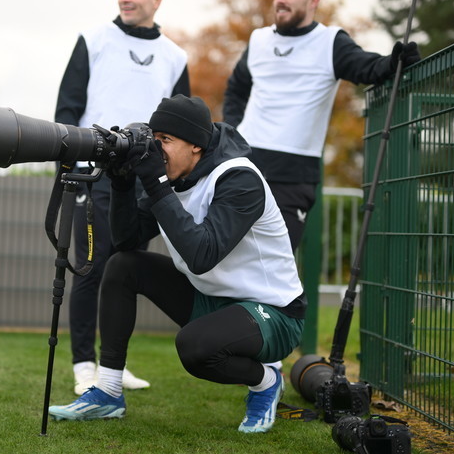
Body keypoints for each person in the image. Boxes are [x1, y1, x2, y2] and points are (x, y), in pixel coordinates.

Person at [49, 95, 306, 434]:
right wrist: (123, 184)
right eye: (153, 141)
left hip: (274, 313)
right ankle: (109, 390)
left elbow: (202, 256)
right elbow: (127, 241)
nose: (157, 151)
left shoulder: (240, 179)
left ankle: (266, 380)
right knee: (123, 265)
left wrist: (155, 184)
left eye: (165, 141)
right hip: (212, 299)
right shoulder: (172, 176)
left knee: (194, 346)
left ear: (196, 146)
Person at [54, 0, 190, 395]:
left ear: (157, 0)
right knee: (90, 269)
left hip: (143, 185)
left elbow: (180, 125)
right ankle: (83, 366)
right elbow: (68, 108)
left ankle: (115, 364)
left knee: (125, 271)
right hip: (93, 179)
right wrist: (74, 167)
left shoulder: (175, 55)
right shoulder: (93, 40)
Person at [222, 0, 421, 250]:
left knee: (275, 261)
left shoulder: (331, 42)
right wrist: (234, 131)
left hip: (294, 172)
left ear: (313, 1)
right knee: (228, 255)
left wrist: (394, 61)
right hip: (244, 161)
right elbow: (235, 90)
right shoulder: (259, 39)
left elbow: (367, 67)